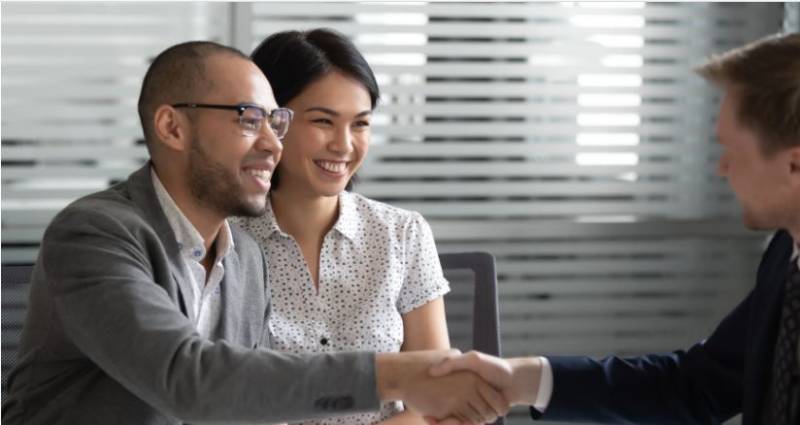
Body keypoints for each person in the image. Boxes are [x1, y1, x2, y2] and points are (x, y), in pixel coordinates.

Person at [0, 41, 508, 425]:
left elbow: (244, 405)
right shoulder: (95, 234)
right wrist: (399, 375)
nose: (271, 142)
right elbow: (192, 379)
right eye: (249, 119)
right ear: (173, 128)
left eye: (276, 122)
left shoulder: (239, 253)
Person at [427, 32, 800, 425]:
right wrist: (523, 380)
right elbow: (698, 385)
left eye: (731, 152)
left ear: (794, 165)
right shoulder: (785, 255)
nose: (722, 169)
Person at [233, 28, 452, 425]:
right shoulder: (225, 240)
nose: (344, 144)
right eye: (323, 121)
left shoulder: (402, 233)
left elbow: (436, 397)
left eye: (360, 124)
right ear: (272, 122)